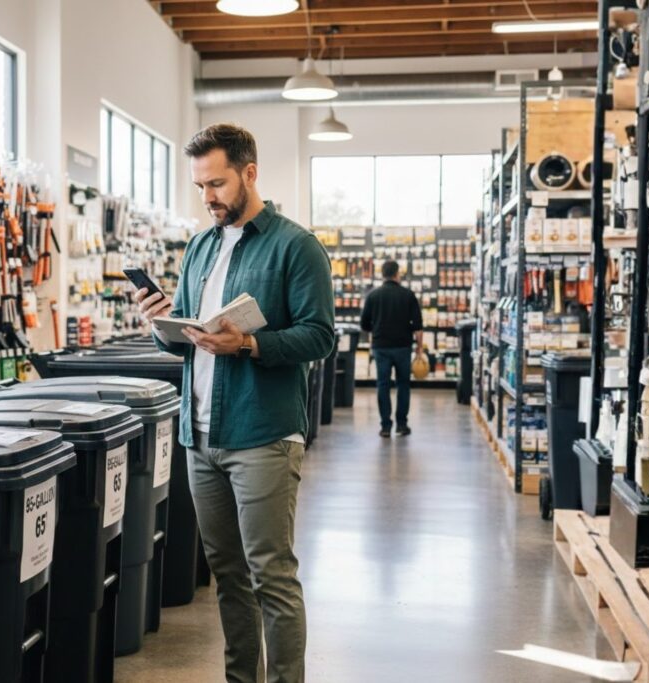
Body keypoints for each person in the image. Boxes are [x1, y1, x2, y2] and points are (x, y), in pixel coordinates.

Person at [134, 123, 334, 683]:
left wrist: (247, 343)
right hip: (199, 435)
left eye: (217, 184)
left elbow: (320, 337)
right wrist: (159, 324)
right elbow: (187, 338)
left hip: (263, 434)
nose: (208, 198)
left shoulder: (296, 246)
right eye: (200, 187)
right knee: (227, 574)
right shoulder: (200, 245)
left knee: (271, 574)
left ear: (250, 172)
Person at [359, 260, 424, 438]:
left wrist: (377, 329)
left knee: (383, 385)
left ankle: (385, 426)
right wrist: (419, 349)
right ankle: (402, 425)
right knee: (403, 385)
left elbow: (364, 324)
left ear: (382, 274)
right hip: (403, 346)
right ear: (397, 274)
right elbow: (418, 325)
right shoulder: (408, 295)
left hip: (381, 346)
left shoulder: (373, 296)